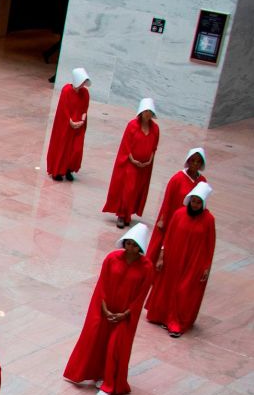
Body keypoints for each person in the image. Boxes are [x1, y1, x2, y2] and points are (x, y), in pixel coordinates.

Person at [63, 224, 154, 395]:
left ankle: (109, 383)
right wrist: (104, 308)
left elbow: (141, 295)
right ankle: (95, 372)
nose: (131, 248)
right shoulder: (112, 258)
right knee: (96, 340)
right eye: (128, 243)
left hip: (125, 315)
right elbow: (102, 284)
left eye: (135, 245)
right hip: (105, 309)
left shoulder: (146, 267)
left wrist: (126, 313)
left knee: (116, 346)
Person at [145, 182, 216, 337]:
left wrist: (206, 267)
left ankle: (176, 321)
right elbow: (168, 237)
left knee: (184, 290)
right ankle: (161, 316)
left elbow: (210, 245)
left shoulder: (209, 220)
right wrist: (162, 257)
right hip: (174, 257)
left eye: (198, 202)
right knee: (168, 286)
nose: (195, 205)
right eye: (193, 201)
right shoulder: (179, 214)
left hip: (194, 262)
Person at [102, 98, 160, 228]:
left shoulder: (155, 129)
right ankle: (122, 214)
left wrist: (149, 160)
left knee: (137, 189)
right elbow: (126, 144)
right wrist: (132, 159)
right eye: (146, 111)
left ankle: (128, 213)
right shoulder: (132, 125)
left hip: (144, 166)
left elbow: (154, 147)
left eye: (150, 112)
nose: (148, 114)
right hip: (131, 164)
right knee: (128, 188)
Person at [145, 147, 207, 266]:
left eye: (198, 161)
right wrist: (163, 219)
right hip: (173, 218)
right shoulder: (177, 179)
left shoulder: (202, 181)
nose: (195, 163)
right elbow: (167, 200)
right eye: (193, 160)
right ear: (188, 161)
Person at [46, 67, 90, 181]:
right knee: (62, 147)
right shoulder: (66, 90)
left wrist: (82, 121)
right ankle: (57, 171)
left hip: (79, 125)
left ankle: (69, 169)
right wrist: (70, 121)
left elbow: (85, 109)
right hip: (66, 125)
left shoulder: (85, 93)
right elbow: (63, 108)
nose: (83, 85)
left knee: (76, 149)